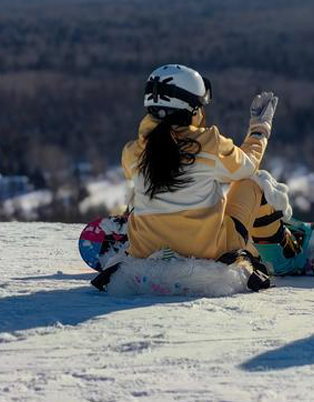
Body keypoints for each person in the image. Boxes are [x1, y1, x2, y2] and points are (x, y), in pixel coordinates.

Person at [117, 64, 303, 291]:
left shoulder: (131, 153)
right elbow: (248, 167)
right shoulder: (210, 144)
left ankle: (139, 235)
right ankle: (281, 252)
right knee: (253, 183)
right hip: (207, 251)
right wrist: (259, 128)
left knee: (140, 190)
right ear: (191, 109)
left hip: (145, 250)